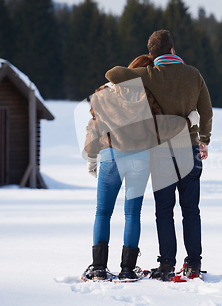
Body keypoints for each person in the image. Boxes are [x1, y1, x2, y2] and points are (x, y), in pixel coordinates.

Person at [105, 30, 213, 281]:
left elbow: (112, 74)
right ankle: (193, 264)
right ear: (173, 50)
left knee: (164, 210)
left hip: (162, 152)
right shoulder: (194, 74)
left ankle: (166, 265)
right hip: (189, 148)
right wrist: (204, 140)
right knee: (191, 210)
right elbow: (206, 112)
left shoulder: (148, 74)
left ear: (152, 54)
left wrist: (147, 65)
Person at [82, 55, 200, 281]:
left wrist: (91, 156)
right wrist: (188, 121)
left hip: (110, 156)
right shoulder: (145, 96)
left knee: (103, 212)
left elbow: (94, 126)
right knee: (132, 213)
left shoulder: (103, 94)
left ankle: (98, 268)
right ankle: (127, 269)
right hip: (140, 159)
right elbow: (161, 127)